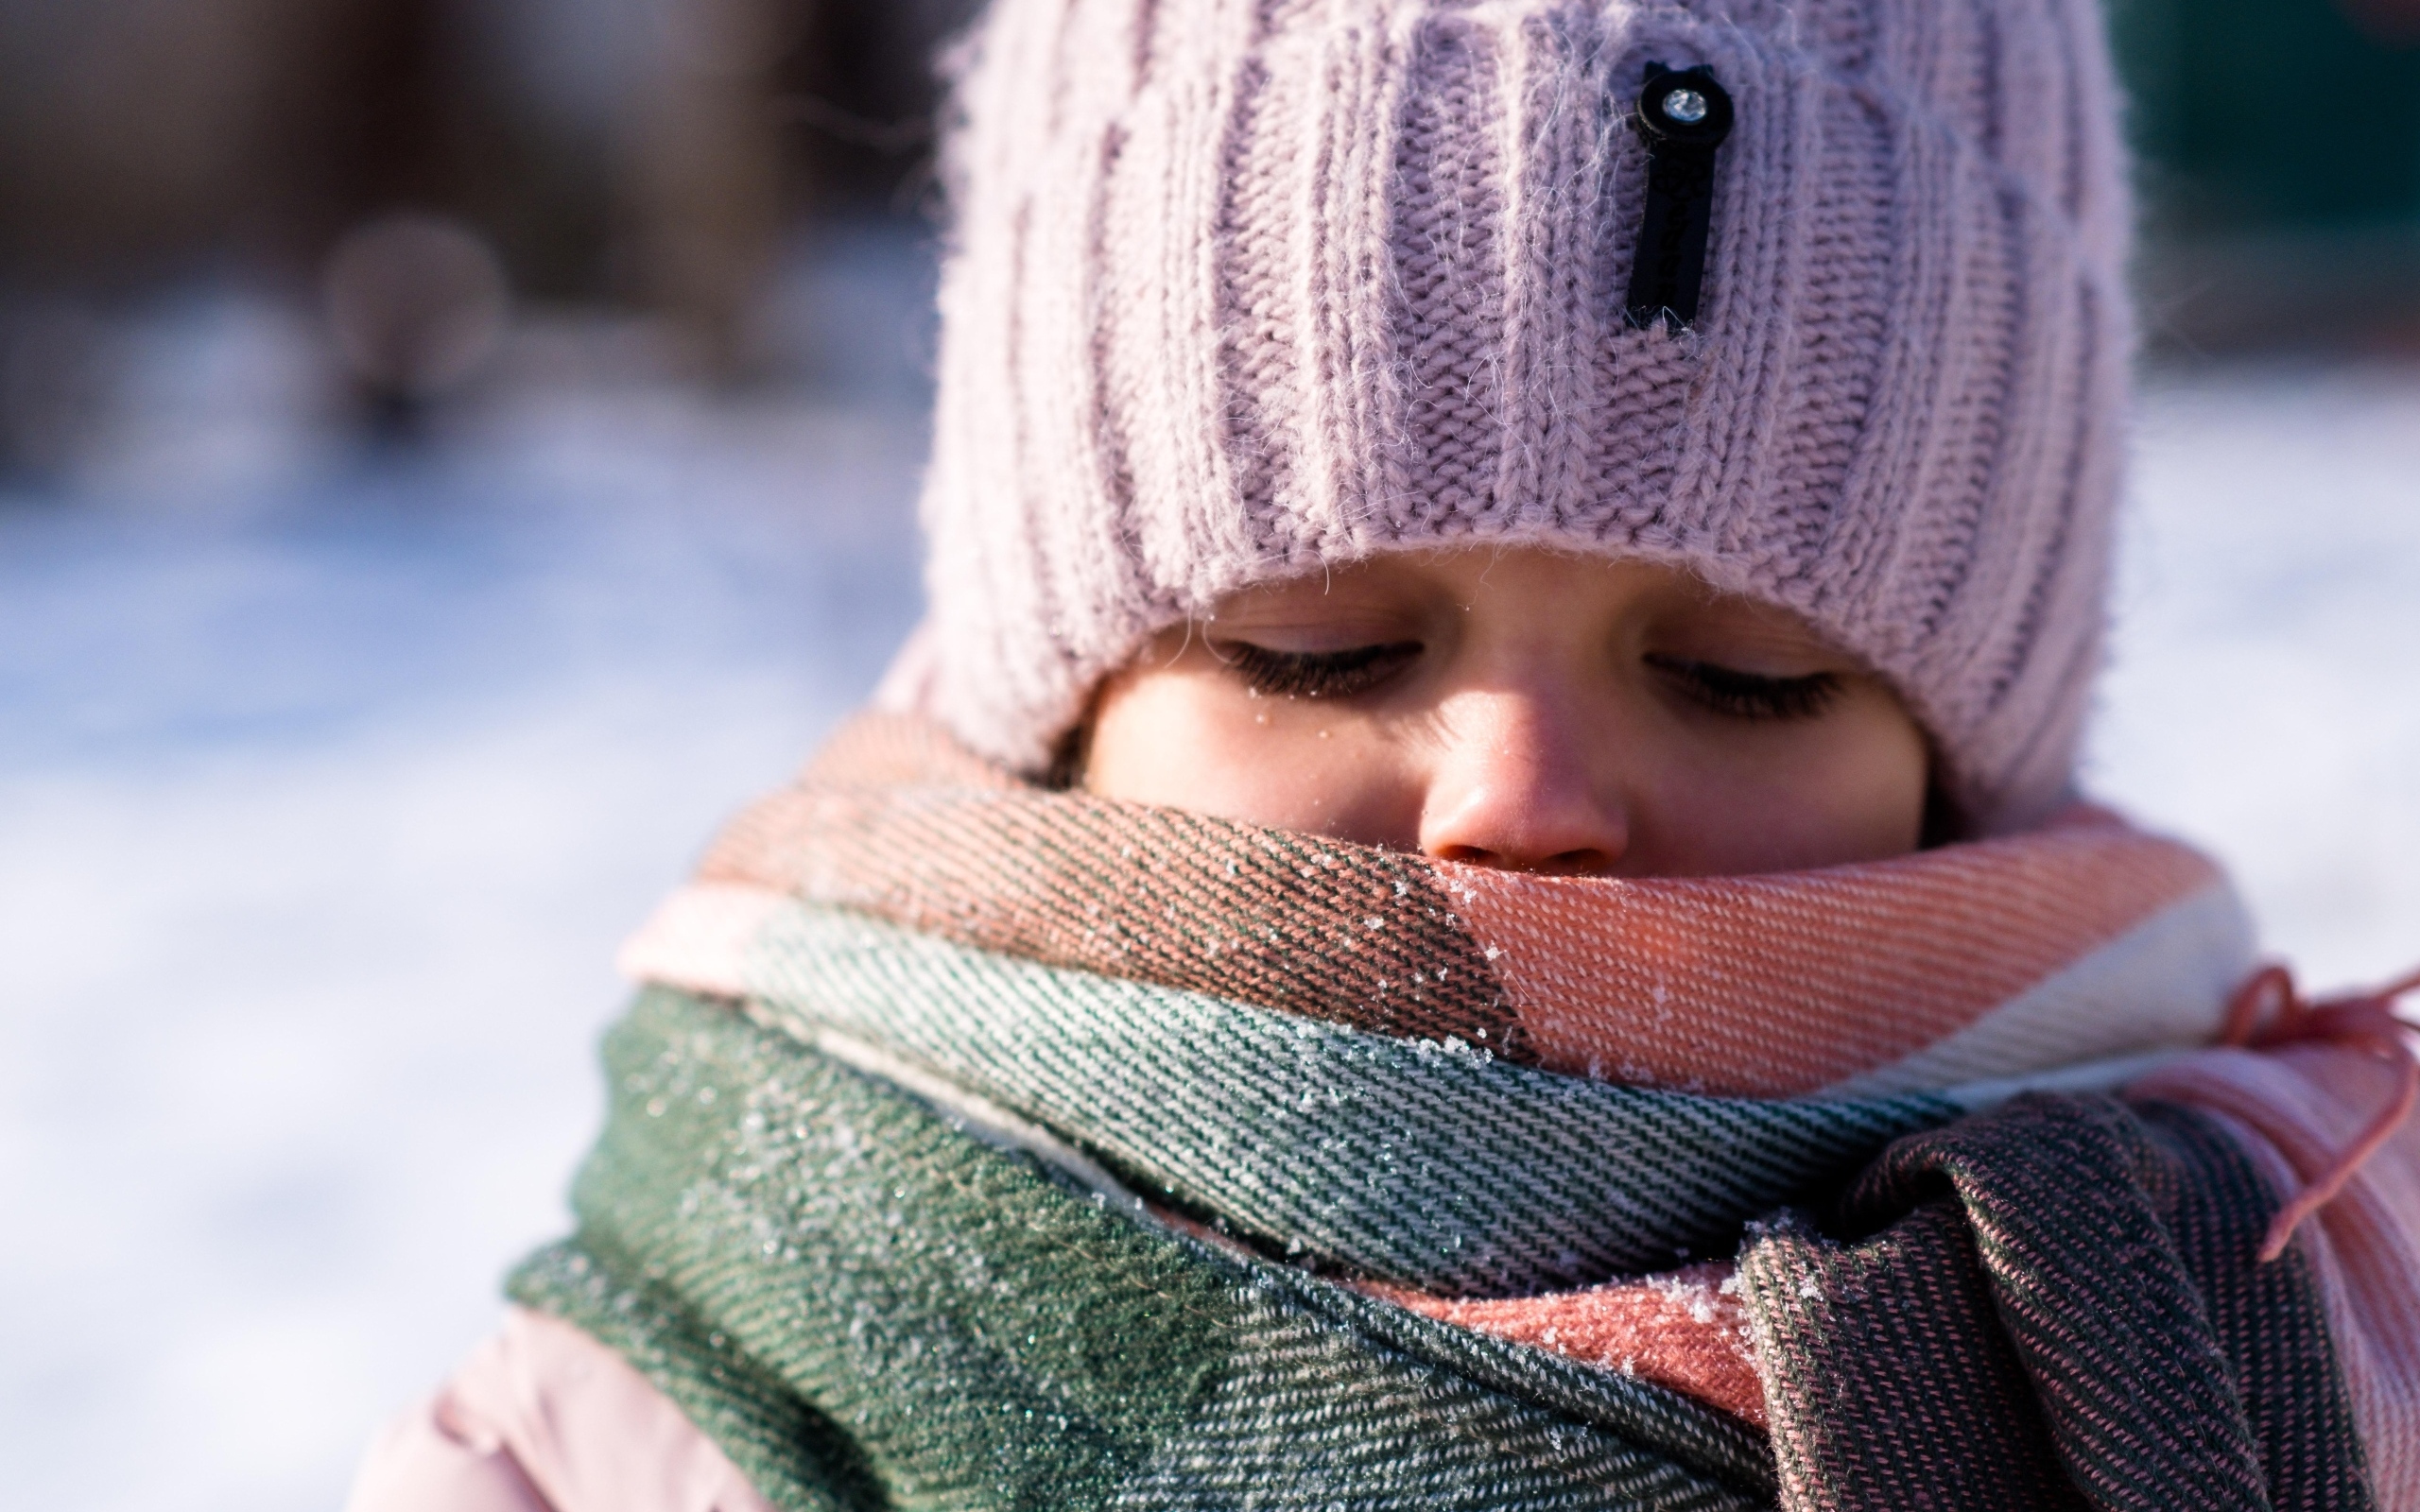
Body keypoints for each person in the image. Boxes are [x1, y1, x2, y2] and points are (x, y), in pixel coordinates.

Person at [348, 0, 2420, 1506]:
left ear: (1963, 761)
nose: (1514, 794)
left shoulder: (2291, 1315)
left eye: (1741, 670)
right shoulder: (641, 1426)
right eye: (1315, 644)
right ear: (1059, 703)